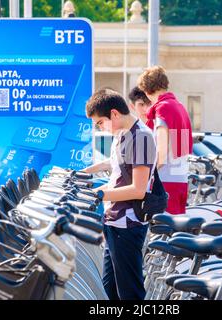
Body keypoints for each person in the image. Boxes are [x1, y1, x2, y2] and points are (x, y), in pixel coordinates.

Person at [82, 89, 157, 300]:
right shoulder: (123, 134)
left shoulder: (141, 137)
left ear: (114, 114)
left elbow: (138, 189)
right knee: (110, 290)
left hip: (128, 225)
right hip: (114, 222)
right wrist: (83, 173)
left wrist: (99, 194)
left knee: (129, 293)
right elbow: (114, 164)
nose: (101, 128)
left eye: (100, 123)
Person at [137, 66, 193, 215]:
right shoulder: (179, 107)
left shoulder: (162, 109)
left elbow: (161, 152)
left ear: (147, 91)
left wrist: (145, 174)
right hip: (180, 177)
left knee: (162, 232)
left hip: (165, 180)